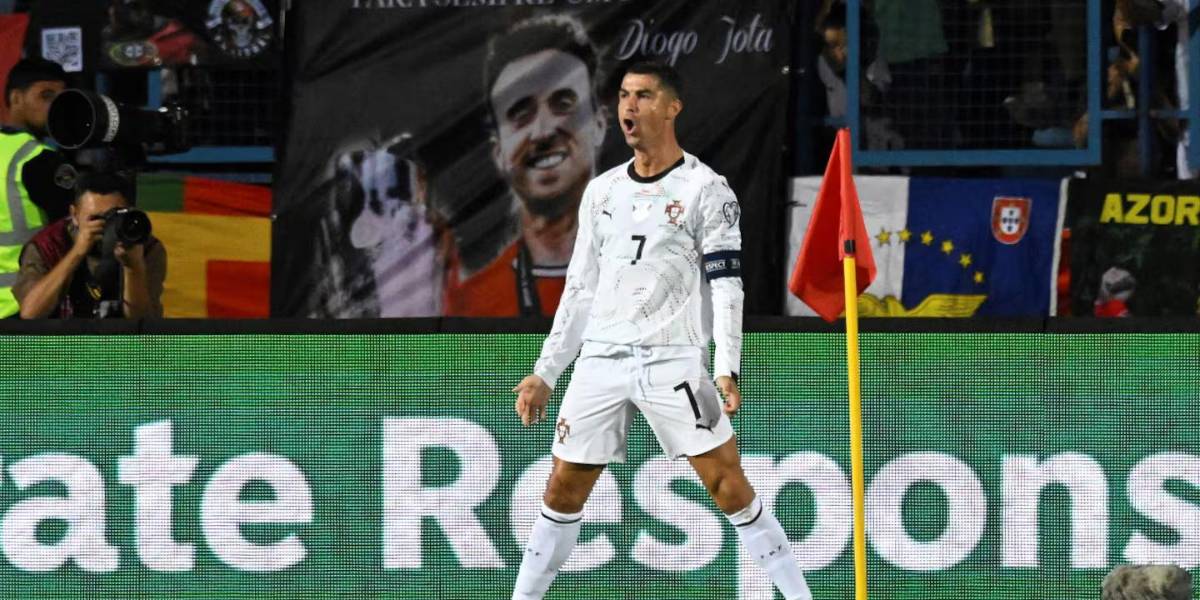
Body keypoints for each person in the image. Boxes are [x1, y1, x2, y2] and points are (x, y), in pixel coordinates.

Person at [510, 62, 812, 600]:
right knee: (563, 487)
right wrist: (545, 371)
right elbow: (579, 288)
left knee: (726, 484)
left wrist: (726, 367)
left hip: (672, 358)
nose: (629, 107)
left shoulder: (706, 189)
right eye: (624, 96)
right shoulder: (600, 192)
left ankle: (796, 594)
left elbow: (726, 287)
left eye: (644, 96)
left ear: (673, 107)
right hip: (601, 359)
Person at [443, 14, 607, 316]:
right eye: (520, 113)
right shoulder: (471, 304)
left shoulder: (659, 282)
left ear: (599, 124)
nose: (543, 131)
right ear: (499, 154)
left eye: (563, 104)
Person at [13, 171, 165, 319]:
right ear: (74, 215)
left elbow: (144, 327)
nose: (107, 225)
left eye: (115, 216)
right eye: (96, 218)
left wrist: (134, 267)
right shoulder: (48, 246)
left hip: (118, 342)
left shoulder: (145, 247)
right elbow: (30, 313)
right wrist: (76, 252)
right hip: (60, 341)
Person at [1, 57, 75, 317]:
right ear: (16, 98)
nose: (56, 107)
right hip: (24, 308)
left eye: (61, 98)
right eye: (46, 96)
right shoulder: (38, 159)